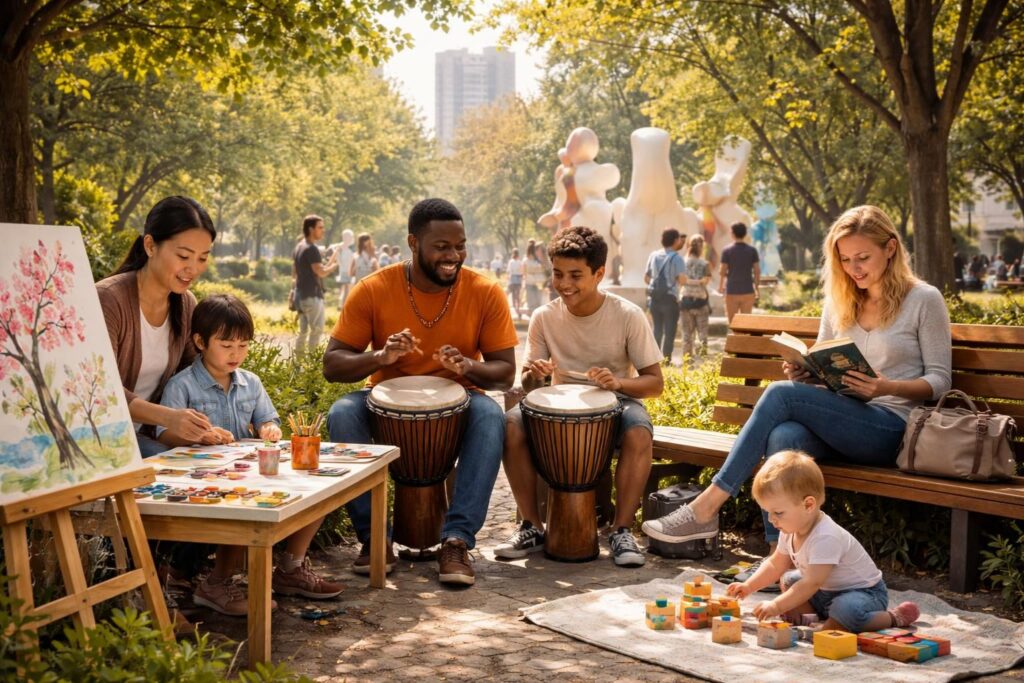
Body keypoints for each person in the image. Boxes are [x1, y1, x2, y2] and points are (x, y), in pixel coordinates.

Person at [643, 205, 952, 560]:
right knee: (783, 437)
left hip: (891, 428)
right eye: (845, 259)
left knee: (779, 395)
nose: (854, 268)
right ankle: (780, 557)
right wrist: (806, 372)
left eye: (863, 257)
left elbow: (940, 380)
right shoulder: (840, 301)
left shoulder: (923, 300)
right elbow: (823, 357)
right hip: (842, 420)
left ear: (891, 248)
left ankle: (705, 508)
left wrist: (887, 387)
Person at [324, 198, 517, 586]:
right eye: (441, 246)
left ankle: (457, 540)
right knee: (342, 412)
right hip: (384, 403)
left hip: (461, 400)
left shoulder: (485, 291)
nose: (453, 256)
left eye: (460, 246)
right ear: (414, 243)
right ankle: (374, 539)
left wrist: (468, 366)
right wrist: (381, 356)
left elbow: (505, 373)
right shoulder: (373, 289)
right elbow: (332, 364)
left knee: (491, 414)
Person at [158, 295, 343, 615]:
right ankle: (216, 583)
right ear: (200, 342)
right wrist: (198, 436)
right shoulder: (182, 386)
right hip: (201, 480)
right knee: (242, 506)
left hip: (243, 471)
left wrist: (269, 429)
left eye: (243, 346)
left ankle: (291, 567)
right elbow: (164, 433)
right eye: (226, 345)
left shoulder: (250, 383)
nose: (236, 354)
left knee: (319, 487)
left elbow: (267, 420)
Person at [496, 226, 665, 567]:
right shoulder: (544, 317)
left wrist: (618, 383)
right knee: (512, 425)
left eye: (575, 275)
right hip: (558, 405)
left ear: (599, 274)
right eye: (558, 274)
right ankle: (532, 525)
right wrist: (536, 375)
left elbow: (655, 383)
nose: (564, 284)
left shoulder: (627, 315)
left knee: (639, 432)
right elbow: (528, 385)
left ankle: (621, 530)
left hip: (617, 403)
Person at [727, 451, 920, 631]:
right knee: (788, 580)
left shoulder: (825, 536)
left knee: (845, 609)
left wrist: (776, 605)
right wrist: (749, 586)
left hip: (864, 594)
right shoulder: (789, 529)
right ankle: (816, 619)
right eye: (768, 512)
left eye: (778, 512)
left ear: (808, 505)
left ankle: (893, 617)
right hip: (824, 592)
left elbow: (811, 583)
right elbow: (775, 564)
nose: (771, 519)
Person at [97, 196, 217, 458]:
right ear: (150, 245)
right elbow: (101, 390)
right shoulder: (108, 299)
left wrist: (203, 427)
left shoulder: (185, 304)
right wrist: (169, 417)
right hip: (101, 436)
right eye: (183, 256)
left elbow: (193, 375)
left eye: (202, 258)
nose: (193, 268)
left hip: (148, 434)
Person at [292, 215, 338, 355]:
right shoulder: (312, 249)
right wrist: (334, 266)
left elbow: (296, 273)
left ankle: (298, 363)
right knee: (316, 331)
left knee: (302, 332)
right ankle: (312, 363)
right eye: (320, 227)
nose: (323, 230)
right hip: (312, 296)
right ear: (311, 229)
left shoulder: (299, 247)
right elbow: (320, 272)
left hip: (300, 295)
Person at [644, 228, 685, 364]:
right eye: (679, 239)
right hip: (670, 298)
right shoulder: (677, 258)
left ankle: (654, 361)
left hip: (655, 298)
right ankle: (666, 360)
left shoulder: (653, 255)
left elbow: (646, 278)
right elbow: (682, 280)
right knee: (670, 330)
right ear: (675, 240)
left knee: (657, 329)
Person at [679, 234, 712, 360]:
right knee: (702, 333)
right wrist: (698, 282)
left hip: (685, 300)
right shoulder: (705, 264)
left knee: (687, 334)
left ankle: (687, 360)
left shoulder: (682, 262)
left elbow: (680, 281)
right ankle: (702, 360)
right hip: (700, 301)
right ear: (702, 247)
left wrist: (688, 282)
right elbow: (706, 281)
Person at [719, 222, 760, 323]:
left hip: (732, 290)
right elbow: (757, 271)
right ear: (745, 234)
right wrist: (756, 288)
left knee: (733, 322)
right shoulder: (752, 250)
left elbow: (722, 271)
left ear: (733, 234)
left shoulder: (727, 251)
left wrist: (721, 286)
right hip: (748, 290)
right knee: (745, 323)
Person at [330, 229, 356, 308]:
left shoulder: (346, 247)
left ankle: (343, 305)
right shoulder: (341, 247)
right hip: (345, 270)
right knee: (347, 289)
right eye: (349, 237)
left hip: (347, 270)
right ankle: (344, 306)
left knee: (347, 288)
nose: (351, 238)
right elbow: (338, 259)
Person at [524, 242, 547, 313]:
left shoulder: (526, 260)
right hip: (537, 283)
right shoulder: (538, 261)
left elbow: (524, 273)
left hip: (531, 283)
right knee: (537, 304)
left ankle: (534, 317)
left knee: (533, 305)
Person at [507, 248, 524, 318]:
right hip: (518, 278)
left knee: (513, 294)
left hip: (513, 278)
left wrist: (509, 280)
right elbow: (521, 271)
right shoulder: (520, 262)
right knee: (518, 294)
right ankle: (518, 308)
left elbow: (509, 271)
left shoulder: (511, 262)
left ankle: (515, 308)